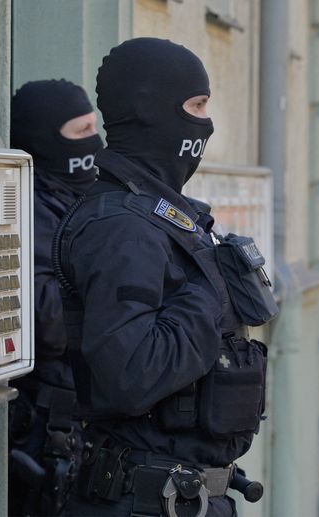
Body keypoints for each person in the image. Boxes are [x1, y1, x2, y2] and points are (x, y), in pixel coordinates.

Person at [55, 38, 276, 517]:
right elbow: (132, 374)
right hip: (142, 499)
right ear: (150, 109)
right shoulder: (122, 226)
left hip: (180, 494)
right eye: (195, 106)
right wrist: (213, 291)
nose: (205, 124)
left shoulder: (164, 216)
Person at [7, 79, 104, 516]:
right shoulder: (27, 208)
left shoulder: (91, 198)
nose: (95, 142)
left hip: (94, 423)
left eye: (94, 128)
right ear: (46, 139)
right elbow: (51, 323)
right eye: (80, 132)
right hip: (50, 429)